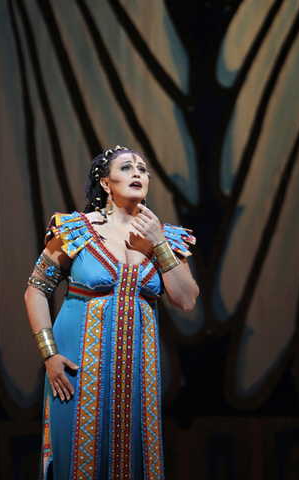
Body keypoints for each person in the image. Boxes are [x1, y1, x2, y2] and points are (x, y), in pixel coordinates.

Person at [25, 145, 199, 480]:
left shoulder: (164, 238)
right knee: (78, 459)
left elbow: (186, 299)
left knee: (134, 456)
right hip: (76, 366)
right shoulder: (76, 231)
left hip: (138, 370)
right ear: (106, 184)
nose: (137, 173)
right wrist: (50, 356)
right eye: (127, 167)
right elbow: (35, 291)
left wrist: (158, 243)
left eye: (143, 169)